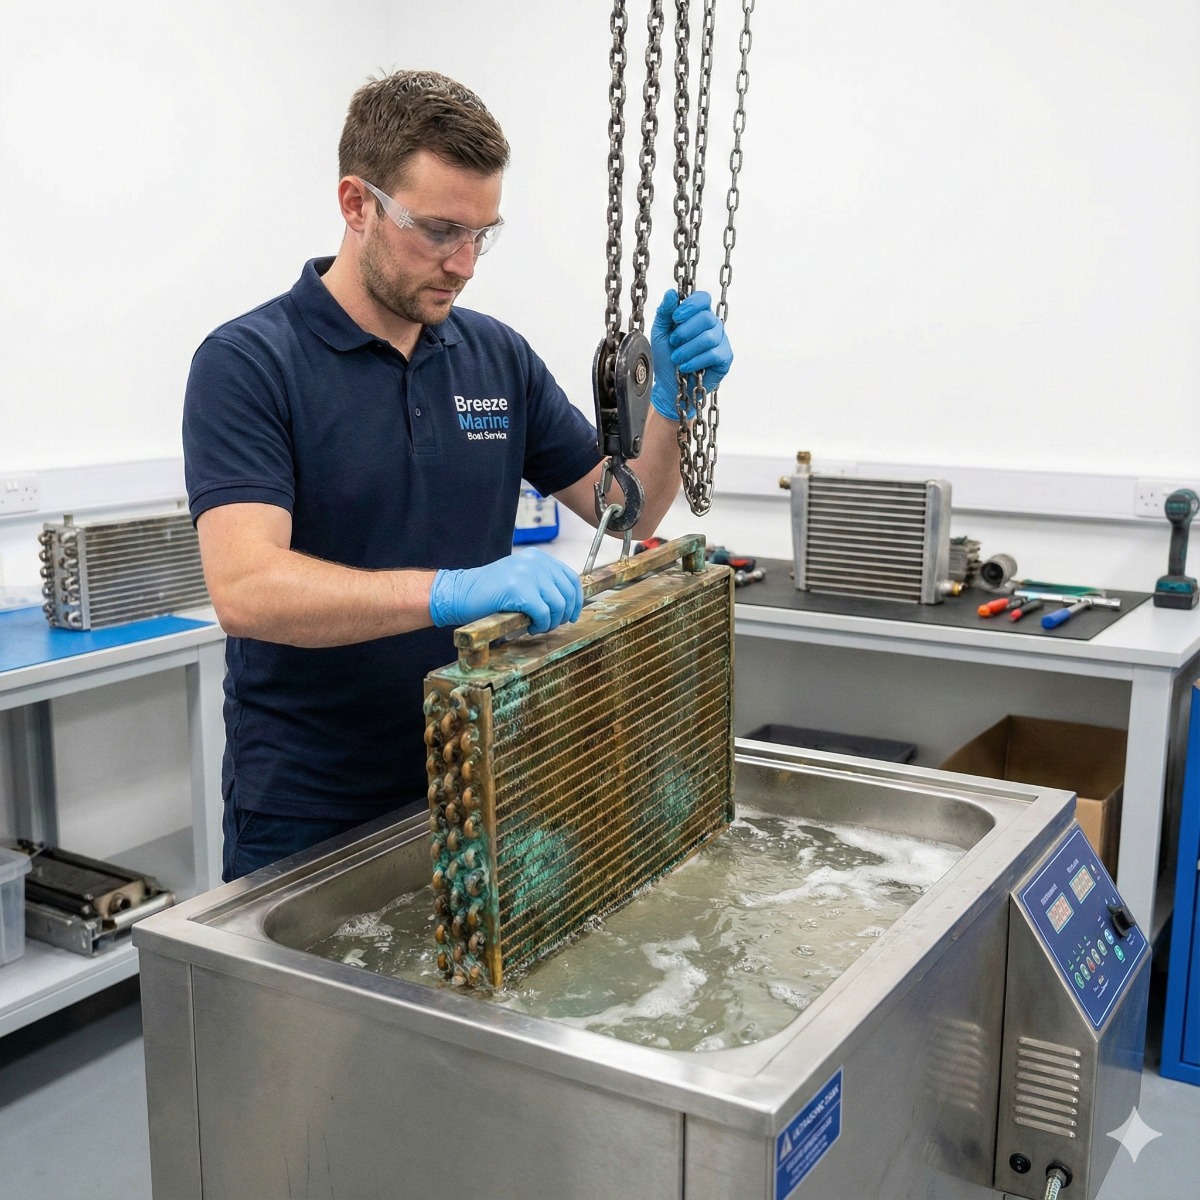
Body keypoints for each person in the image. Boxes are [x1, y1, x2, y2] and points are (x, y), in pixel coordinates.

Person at [183, 70, 733, 882]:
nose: (465, 263)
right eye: (440, 230)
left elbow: (630, 512)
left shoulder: (495, 357)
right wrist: (448, 592)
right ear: (356, 204)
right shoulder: (250, 365)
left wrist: (671, 404)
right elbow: (247, 588)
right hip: (310, 805)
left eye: (483, 233)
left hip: (479, 775)